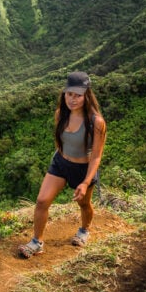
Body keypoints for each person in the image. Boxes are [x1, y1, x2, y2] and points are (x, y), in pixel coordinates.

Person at [18, 71, 107, 258]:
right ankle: (37, 242)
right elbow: (59, 141)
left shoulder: (96, 122)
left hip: (83, 169)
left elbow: (97, 156)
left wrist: (84, 182)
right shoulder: (60, 115)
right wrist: (61, 158)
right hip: (60, 163)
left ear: (86, 96)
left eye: (78, 96)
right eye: (69, 94)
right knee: (42, 201)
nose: (72, 100)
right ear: (64, 94)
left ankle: (84, 230)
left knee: (84, 204)